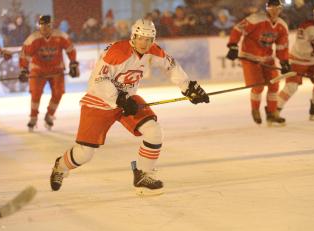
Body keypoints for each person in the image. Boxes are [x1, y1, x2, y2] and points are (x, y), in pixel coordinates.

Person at [49, 19, 209, 195]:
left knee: (154, 131)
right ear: (133, 36)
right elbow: (99, 80)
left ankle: (143, 174)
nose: (144, 43)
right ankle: (61, 167)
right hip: (99, 101)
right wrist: (120, 99)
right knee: (84, 154)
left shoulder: (152, 50)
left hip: (128, 99)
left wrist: (188, 87)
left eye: (149, 40)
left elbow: (171, 66)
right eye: (141, 38)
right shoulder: (117, 52)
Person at [226, 0, 290, 126]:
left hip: (267, 58)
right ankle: (255, 109)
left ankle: (272, 113)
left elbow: (282, 45)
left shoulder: (282, 25)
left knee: (274, 85)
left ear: (281, 9)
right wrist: (233, 45)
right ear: (267, 8)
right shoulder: (256, 19)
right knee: (258, 86)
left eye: (277, 7)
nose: (274, 10)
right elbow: (238, 29)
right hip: (250, 58)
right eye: (271, 7)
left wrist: (284, 61)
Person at [19, 15, 79, 130]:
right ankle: (33, 117)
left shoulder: (60, 36)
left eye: (47, 26)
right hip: (38, 70)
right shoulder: (33, 39)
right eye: (42, 26)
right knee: (35, 93)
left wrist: (73, 63)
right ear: (39, 26)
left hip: (56, 70)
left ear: (51, 25)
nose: (45, 28)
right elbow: (24, 55)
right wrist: (23, 69)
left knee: (59, 92)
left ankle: (50, 115)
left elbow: (70, 49)